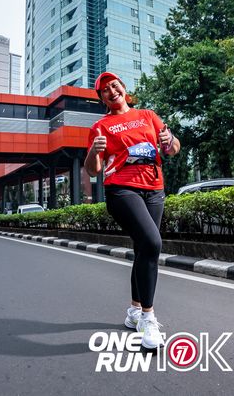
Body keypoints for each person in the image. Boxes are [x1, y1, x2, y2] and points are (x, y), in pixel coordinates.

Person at [84, 72, 180, 350]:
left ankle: (134, 310)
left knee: (143, 249)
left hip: (154, 188)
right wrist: (93, 151)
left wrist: (169, 140)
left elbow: (172, 149)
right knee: (152, 243)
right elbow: (93, 170)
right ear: (102, 98)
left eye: (115, 86)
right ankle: (148, 319)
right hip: (122, 189)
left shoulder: (148, 115)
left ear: (124, 88)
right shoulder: (100, 126)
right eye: (105, 90)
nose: (111, 91)